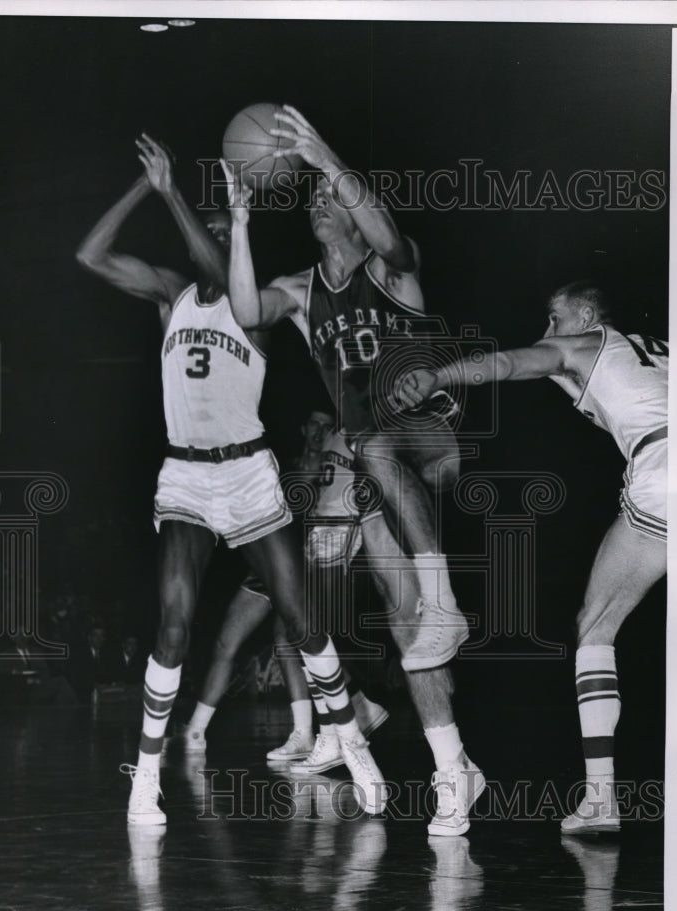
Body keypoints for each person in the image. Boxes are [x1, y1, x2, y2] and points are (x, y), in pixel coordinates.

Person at [76, 134, 387, 825]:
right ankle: (147, 776)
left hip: (248, 473)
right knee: (176, 627)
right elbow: (90, 257)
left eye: (223, 231)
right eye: (205, 231)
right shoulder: (170, 297)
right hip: (187, 478)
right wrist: (144, 187)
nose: (212, 240)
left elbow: (219, 262)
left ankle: (352, 742)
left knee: (301, 618)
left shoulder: (257, 310)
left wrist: (176, 197)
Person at [220, 105, 484, 838]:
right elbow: (245, 313)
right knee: (411, 630)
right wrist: (241, 220)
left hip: (430, 431)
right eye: (309, 197)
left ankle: (441, 601)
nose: (317, 202)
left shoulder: (391, 268)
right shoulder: (302, 292)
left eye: (328, 194)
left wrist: (327, 157)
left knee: (374, 452)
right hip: (373, 458)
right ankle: (451, 765)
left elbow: (391, 238)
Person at [396, 280, 668, 834]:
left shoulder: (582, 343)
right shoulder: (660, 349)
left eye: (554, 317)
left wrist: (438, 376)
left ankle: (600, 798)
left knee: (596, 627)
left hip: (667, 468)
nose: (548, 331)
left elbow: (510, 363)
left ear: (587, 314)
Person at [183, 410, 389, 761]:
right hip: (267, 568)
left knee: (289, 637)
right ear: (303, 427)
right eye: (314, 424)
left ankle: (307, 731)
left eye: (327, 427)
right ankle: (195, 732)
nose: (319, 431)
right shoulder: (284, 465)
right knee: (226, 641)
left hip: (305, 566)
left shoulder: (335, 472)